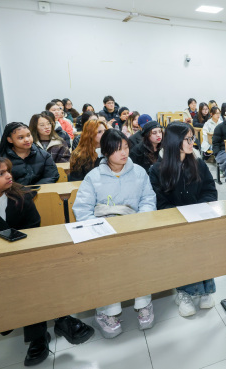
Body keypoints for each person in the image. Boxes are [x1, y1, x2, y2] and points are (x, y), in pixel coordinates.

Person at [0, 156, 94, 366]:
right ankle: (58, 320)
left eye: (7, 171)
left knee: (40, 271)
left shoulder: (20, 195)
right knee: (27, 281)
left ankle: (42, 333)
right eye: (0, 174)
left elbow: (34, 226)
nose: (9, 176)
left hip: (23, 258)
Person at [73, 129, 156, 338]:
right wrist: (97, 229)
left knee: (141, 259)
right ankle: (107, 311)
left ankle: (144, 304)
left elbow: (148, 199)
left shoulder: (139, 172)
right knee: (107, 265)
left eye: (126, 147)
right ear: (105, 151)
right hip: (104, 230)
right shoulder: (94, 177)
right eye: (118, 149)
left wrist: (140, 220)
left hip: (133, 226)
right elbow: (82, 209)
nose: (124, 153)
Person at [148, 123, 218, 317]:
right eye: (188, 139)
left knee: (203, 250)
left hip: (198, 218)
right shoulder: (157, 170)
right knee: (184, 251)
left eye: (192, 138)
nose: (192, 142)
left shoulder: (198, 163)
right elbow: (160, 203)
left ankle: (205, 290)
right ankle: (185, 292)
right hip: (174, 223)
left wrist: (198, 211)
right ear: (174, 141)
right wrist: (182, 217)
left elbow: (210, 191)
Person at [0, 122, 59, 186]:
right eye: (21, 137)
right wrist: (21, 190)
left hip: (40, 191)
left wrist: (34, 189)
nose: (27, 140)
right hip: (13, 192)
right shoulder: (0, 159)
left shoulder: (44, 155)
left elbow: (51, 176)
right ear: (10, 140)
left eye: (28, 135)